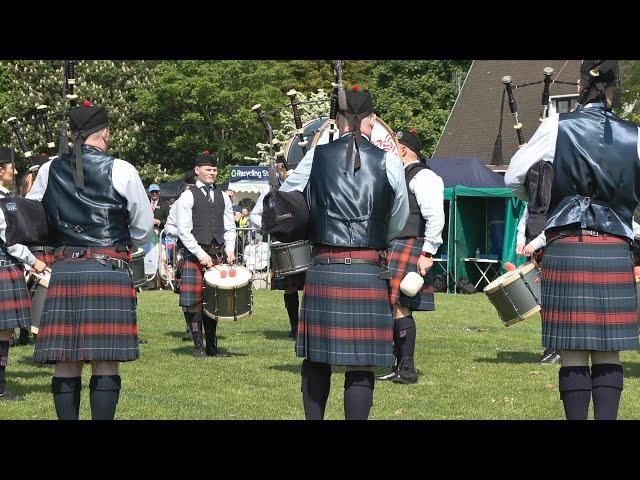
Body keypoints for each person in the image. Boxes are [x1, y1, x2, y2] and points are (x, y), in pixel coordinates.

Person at [505, 60, 640, 420]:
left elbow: (515, 176)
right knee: (610, 350)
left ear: (582, 85)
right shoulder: (635, 136)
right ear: (614, 88)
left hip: (568, 245)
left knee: (574, 351)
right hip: (614, 248)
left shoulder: (556, 126)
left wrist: (543, 202)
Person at [280, 85, 409, 420]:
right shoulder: (389, 161)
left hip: (324, 266)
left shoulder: (317, 156)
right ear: (371, 120)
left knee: (316, 359)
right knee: (361, 364)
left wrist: (313, 221)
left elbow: (286, 199)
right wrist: (377, 236)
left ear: (337, 119)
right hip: (368, 269)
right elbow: (400, 216)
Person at [26, 101, 153, 420]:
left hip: (66, 269)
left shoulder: (48, 169)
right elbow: (143, 226)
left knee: (66, 360)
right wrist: (125, 243)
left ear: (72, 135)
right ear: (105, 133)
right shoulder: (122, 169)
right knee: (105, 360)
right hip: (108, 269)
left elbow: (31, 215)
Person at [378, 128, 445, 384]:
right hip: (396, 244)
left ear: (403, 149)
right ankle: (397, 363)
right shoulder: (400, 175)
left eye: (394, 145)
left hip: (413, 245)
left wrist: (428, 252)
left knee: (400, 305)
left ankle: (407, 368)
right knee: (393, 305)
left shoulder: (425, 177)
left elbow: (435, 217)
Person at [175, 151, 236, 357]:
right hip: (195, 254)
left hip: (217, 253)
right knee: (194, 303)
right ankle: (198, 346)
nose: (212, 173)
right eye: (208, 170)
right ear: (197, 170)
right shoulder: (187, 196)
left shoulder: (223, 196)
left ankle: (212, 347)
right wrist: (200, 254)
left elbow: (230, 227)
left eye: (215, 170)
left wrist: (229, 248)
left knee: (213, 301)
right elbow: (183, 230)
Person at [0, 147, 46, 401]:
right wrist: (33, 261)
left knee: (4, 330)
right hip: (3, 265)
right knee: (3, 330)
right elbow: (8, 239)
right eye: (11, 168)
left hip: (6, 265)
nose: (14, 172)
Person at [250, 163, 305, 339]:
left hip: (306, 239)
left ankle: (308, 327)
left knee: (312, 287)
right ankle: (295, 327)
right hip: (283, 241)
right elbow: (254, 215)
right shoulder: (270, 190)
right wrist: (270, 228)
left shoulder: (306, 185)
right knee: (290, 288)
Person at [165, 170, 196, 342]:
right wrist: (185, 233)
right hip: (186, 250)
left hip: (206, 249)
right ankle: (190, 328)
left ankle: (202, 328)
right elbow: (169, 227)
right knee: (187, 293)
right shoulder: (179, 203)